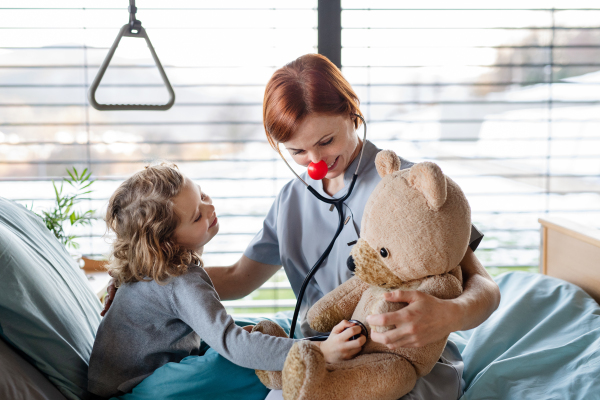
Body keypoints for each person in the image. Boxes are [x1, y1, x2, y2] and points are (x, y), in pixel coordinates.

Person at [101, 54, 501, 399]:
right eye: (298, 152)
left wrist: (449, 316)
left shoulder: (409, 187)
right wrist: (145, 282)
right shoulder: (292, 200)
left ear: (351, 111)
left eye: (326, 141)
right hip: (321, 351)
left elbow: (484, 286)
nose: (317, 161)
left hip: (400, 357)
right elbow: (240, 278)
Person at [88, 162, 365, 398]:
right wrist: (319, 351)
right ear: (166, 244)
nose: (209, 209)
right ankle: (312, 359)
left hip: (158, 370)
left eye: (203, 196)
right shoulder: (180, 281)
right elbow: (232, 345)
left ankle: (299, 344)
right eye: (197, 216)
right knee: (238, 359)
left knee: (254, 331)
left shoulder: (145, 262)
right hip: (136, 391)